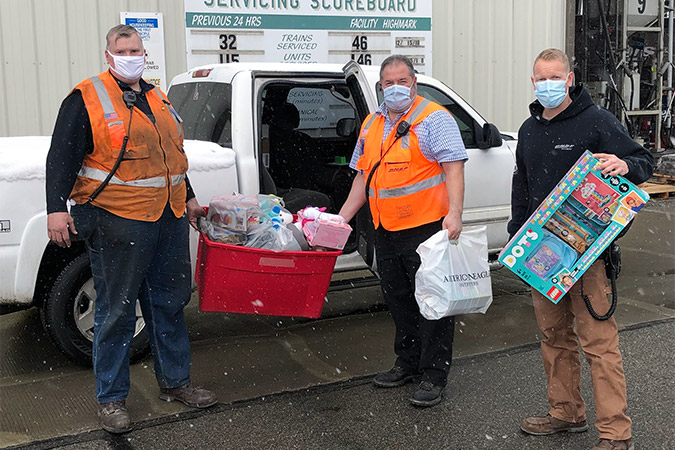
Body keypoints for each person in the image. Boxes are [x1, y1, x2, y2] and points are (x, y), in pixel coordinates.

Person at [46, 25, 216, 434]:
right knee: (117, 310)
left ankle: (176, 382)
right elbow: (61, 156)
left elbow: (168, 158)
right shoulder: (86, 98)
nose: (130, 55)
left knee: (169, 303)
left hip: (169, 217)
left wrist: (189, 197)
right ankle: (112, 400)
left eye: (136, 49)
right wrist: (55, 210)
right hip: (116, 220)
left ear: (145, 53)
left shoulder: (157, 96)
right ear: (108, 56)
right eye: (122, 50)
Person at [509, 48, 653, 450]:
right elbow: (521, 185)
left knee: (599, 344)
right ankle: (566, 413)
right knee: (553, 337)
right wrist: (516, 234)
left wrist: (627, 166)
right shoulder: (529, 128)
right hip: (539, 254)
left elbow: (643, 159)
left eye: (555, 77)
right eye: (541, 78)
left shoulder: (598, 122)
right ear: (532, 82)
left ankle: (615, 434)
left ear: (569, 79)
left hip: (588, 257)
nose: (548, 85)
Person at [338, 55, 467, 407]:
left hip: (425, 227)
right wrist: (342, 218)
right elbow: (363, 178)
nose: (396, 87)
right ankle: (407, 363)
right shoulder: (371, 123)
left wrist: (455, 214)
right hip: (386, 229)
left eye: (403, 81)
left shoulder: (434, 118)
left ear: (414, 82)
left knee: (434, 302)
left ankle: (434, 374)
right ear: (380, 86)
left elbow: (454, 169)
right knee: (398, 299)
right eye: (389, 82)